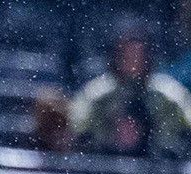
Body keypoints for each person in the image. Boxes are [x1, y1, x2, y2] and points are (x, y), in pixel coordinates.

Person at [72, 22, 191, 159]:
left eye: (139, 56)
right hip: (103, 163)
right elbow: (79, 132)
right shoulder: (96, 95)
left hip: (161, 165)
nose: (134, 62)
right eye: (128, 56)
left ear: (148, 58)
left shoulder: (170, 96)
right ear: (117, 57)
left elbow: (184, 132)